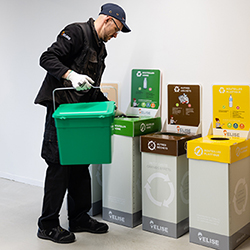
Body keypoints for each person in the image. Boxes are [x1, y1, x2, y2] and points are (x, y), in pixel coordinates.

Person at [34, 3, 131, 244]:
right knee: (58, 166)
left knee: (80, 166)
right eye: (116, 29)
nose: (116, 35)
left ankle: (78, 217)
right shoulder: (76, 32)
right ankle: (47, 225)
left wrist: (110, 107)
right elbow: (46, 58)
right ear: (107, 20)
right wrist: (70, 75)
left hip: (80, 115)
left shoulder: (101, 49)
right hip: (62, 113)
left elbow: (91, 87)